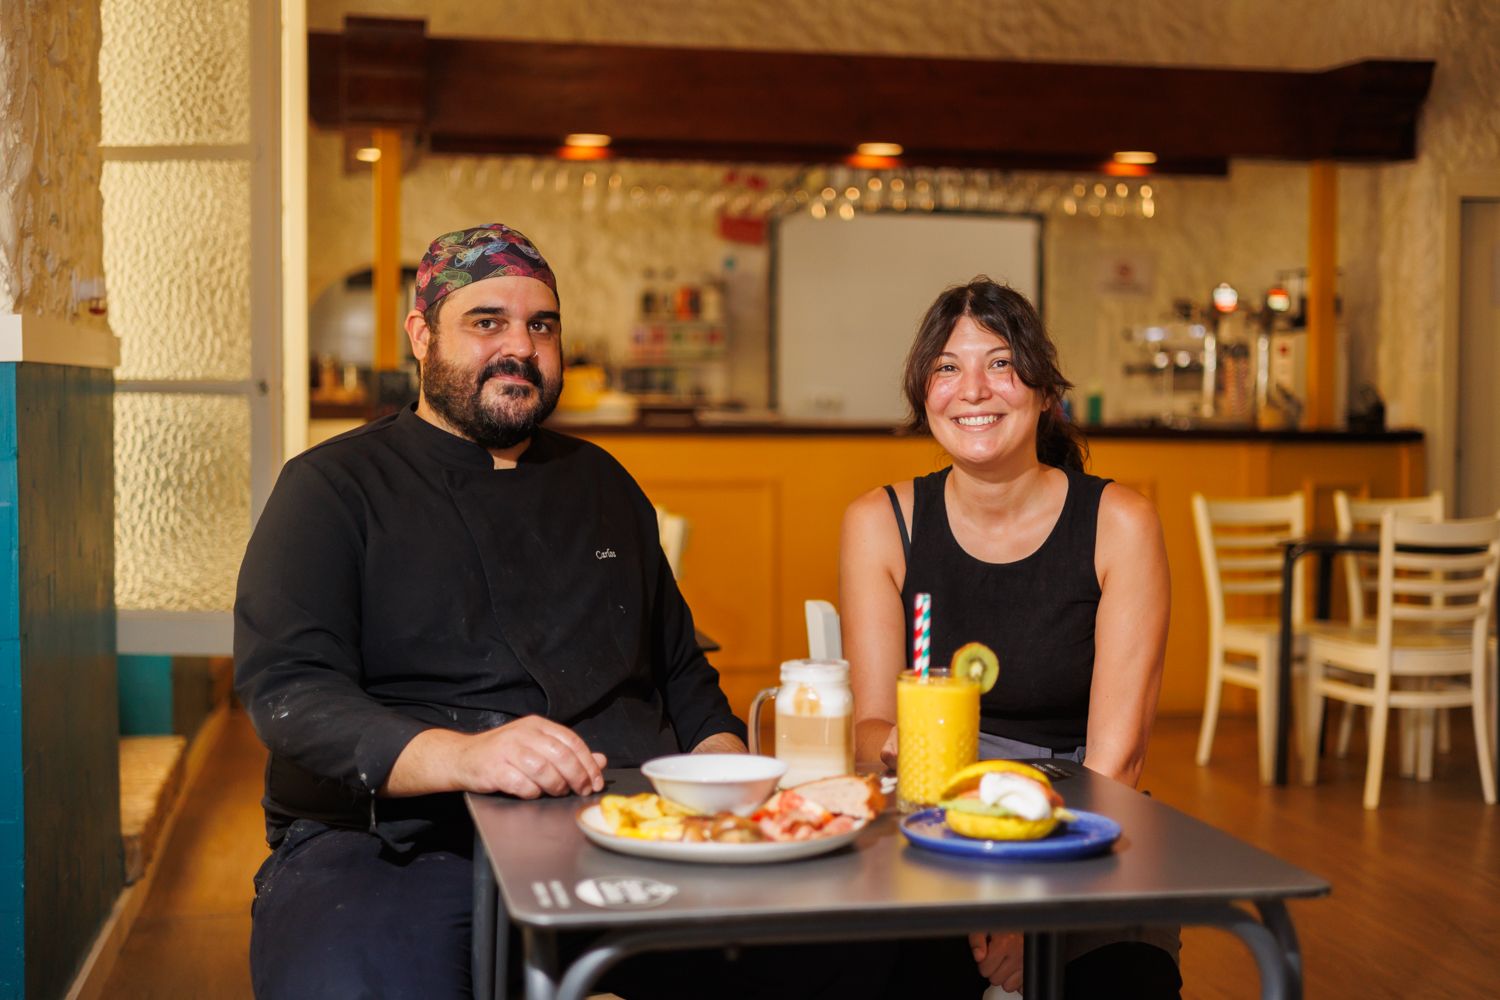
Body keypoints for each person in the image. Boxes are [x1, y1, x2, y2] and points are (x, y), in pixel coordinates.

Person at [235, 223, 749, 998]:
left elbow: (680, 669)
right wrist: (465, 755)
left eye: (542, 325)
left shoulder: (603, 483)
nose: (520, 346)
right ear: (421, 335)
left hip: (621, 827)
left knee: (828, 953)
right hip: (399, 845)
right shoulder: (332, 489)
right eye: (487, 322)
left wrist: (722, 765)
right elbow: (292, 696)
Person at [840, 277, 1180, 999]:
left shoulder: (1120, 524)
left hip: (1083, 827)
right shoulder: (881, 524)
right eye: (947, 367)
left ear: (1042, 387)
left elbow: (1118, 760)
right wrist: (910, 751)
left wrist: (1041, 915)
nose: (974, 390)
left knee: (1127, 981)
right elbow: (870, 728)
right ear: (922, 393)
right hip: (931, 829)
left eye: (999, 363)